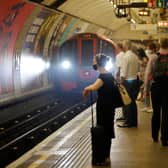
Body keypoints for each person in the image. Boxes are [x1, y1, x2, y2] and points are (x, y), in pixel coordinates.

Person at [82, 53, 116, 165]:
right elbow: (96, 84)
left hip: (104, 108)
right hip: (109, 107)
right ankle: (106, 156)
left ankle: (103, 157)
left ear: (99, 63)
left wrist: (86, 88)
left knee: (103, 131)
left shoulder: (103, 77)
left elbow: (95, 86)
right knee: (107, 130)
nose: (93, 63)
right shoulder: (109, 75)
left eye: (94, 61)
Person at [144, 38, 168, 146]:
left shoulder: (153, 57)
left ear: (160, 45)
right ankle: (165, 138)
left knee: (156, 112)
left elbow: (147, 74)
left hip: (156, 87)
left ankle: (154, 136)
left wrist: (146, 89)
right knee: (166, 113)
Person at [117, 40, 140, 128]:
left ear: (126, 46)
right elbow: (138, 69)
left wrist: (120, 83)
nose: (123, 47)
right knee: (133, 102)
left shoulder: (126, 57)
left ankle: (128, 122)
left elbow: (123, 73)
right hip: (134, 80)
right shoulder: (135, 56)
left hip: (127, 82)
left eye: (123, 45)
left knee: (127, 102)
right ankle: (134, 122)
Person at [115, 42, 125, 121]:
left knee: (122, 97)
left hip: (120, 78)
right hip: (124, 77)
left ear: (119, 47)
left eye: (116, 47)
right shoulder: (124, 54)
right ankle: (125, 114)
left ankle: (124, 115)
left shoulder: (119, 56)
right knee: (124, 97)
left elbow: (118, 67)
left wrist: (116, 78)